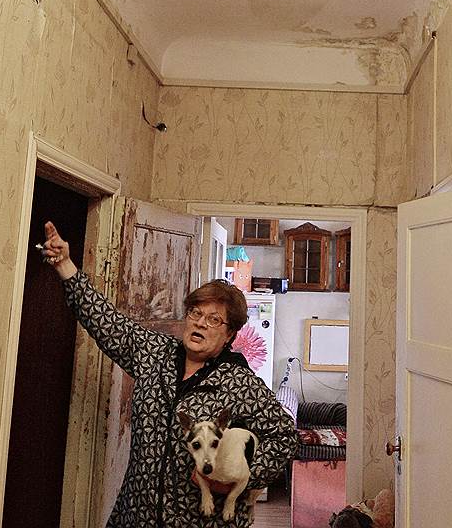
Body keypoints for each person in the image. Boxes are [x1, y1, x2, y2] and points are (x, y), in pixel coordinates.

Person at [40, 221, 297, 527]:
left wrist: (241, 479)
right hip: (137, 516)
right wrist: (65, 265)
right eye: (196, 313)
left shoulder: (239, 382)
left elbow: (284, 435)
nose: (200, 323)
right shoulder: (155, 353)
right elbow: (107, 323)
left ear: (229, 334)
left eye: (214, 319)